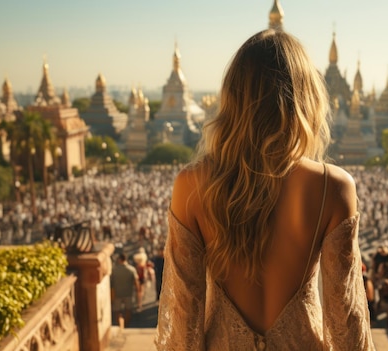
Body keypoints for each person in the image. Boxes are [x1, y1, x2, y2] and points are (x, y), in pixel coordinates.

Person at [156, 29, 374, 350]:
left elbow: (183, 324)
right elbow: (346, 324)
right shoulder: (334, 187)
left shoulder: (192, 184)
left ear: (232, 98)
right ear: (306, 97)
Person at [111, 253, 139, 327]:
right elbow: (136, 281)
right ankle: (126, 325)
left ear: (120, 259)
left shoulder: (114, 270)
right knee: (128, 310)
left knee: (117, 311)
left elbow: (111, 282)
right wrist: (138, 291)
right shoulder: (131, 269)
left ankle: (120, 325)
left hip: (117, 293)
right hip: (128, 293)